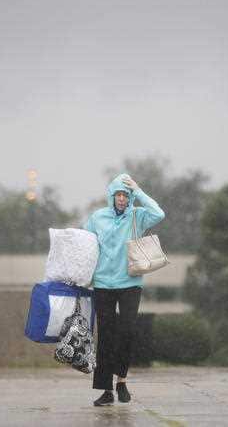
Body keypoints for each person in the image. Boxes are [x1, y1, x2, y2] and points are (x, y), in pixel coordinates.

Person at [84, 173, 165, 406]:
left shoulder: (137, 216)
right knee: (106, 336)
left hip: (130, 283)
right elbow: (86, 245)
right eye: (118, 194)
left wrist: (138, 190)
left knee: (127, 331)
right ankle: (106, 390)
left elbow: (160, 213)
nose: (122, 199)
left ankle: (122, 380)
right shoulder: (97, 217)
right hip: (102, 285)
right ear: (112, 196)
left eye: (126, 195)